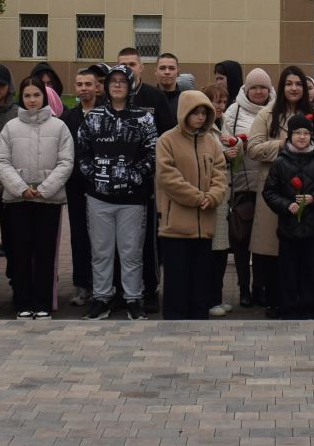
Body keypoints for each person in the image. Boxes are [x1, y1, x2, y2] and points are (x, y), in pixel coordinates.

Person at [77, 65, 158, 320]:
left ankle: (133, 298)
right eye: (113, 81)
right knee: (101, 251)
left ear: (131, 85)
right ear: (107, 85)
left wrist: (134, 176)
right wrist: (95, 176)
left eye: (123, 81)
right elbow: (82, 152)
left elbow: (153, 153)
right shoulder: (93, 117)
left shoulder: (143, 118)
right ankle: (101, 298)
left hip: (133, 199)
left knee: (131, 251)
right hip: (99, 197)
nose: (118, 85)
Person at [0, 76, 74, 318]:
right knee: (19, 253)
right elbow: (2, 161)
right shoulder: (10, 127)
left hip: (47, 201)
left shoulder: (59, 127)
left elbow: (66, 162)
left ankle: (42, 303)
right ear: (22, 97)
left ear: (44, 97)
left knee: (45, 253)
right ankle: (22, 302)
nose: (32, 100)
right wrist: (21, 188)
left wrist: (45, 188)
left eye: (36, 95)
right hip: (18, 201)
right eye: (27, 95)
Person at [245, 65, 314, 318]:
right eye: (288, 84)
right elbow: (253, 148)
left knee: (303, 252)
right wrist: (284, 145)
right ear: (281, 87)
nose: (294, 88)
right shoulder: (268, 114)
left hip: (307, 191)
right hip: (274, 189)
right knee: (274, 250)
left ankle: (303, 301)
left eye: (298, 83)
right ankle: (276, 300)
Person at [152, 89, 228, 320]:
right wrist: (197, 197)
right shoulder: (167, 140)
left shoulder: (212, 143)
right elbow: (167, 177)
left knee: (200, 277)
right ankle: (175, 319)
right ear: (184, 113)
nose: (201, 117)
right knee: (177, 278)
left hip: (203, 225)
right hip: (175, 226)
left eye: (205, 112)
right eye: (195, 112)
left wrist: (213, 196)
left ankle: (198, 317)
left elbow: (220, 174)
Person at [262, 113, 314, 319]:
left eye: (306, 133)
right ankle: (288, 309)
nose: (302, 137)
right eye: (297, 133)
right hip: (287, 228)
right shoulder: (280, 162)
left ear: (311, 136)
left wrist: (313, 198)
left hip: (312, 227)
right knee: (288, 271)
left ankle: (309, 309)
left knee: (309, 271)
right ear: (289, 136)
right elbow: (269, 192)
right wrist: (286, 206)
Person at [217, 68, 271, 310]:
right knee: (240, 239)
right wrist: (238, 145)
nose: (258, 92)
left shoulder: (275, 111)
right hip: (241, 185)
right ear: (246, 90)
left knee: (262, 242)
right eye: (254, 88)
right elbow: (224, 142)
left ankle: (260, 286)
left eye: (263, 87)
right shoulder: (233, 111)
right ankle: (243, 287)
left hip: (269, 184)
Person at [59, 64, 106, 308]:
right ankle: (81, 284)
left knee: (103, 237)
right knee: (79, 234)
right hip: (76, 185)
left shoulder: (108, 114)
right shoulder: (68, 118)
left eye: (89, 84)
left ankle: (103, 285)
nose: (84, 89)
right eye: (80, 85)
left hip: (102, 185)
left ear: (97, 87)